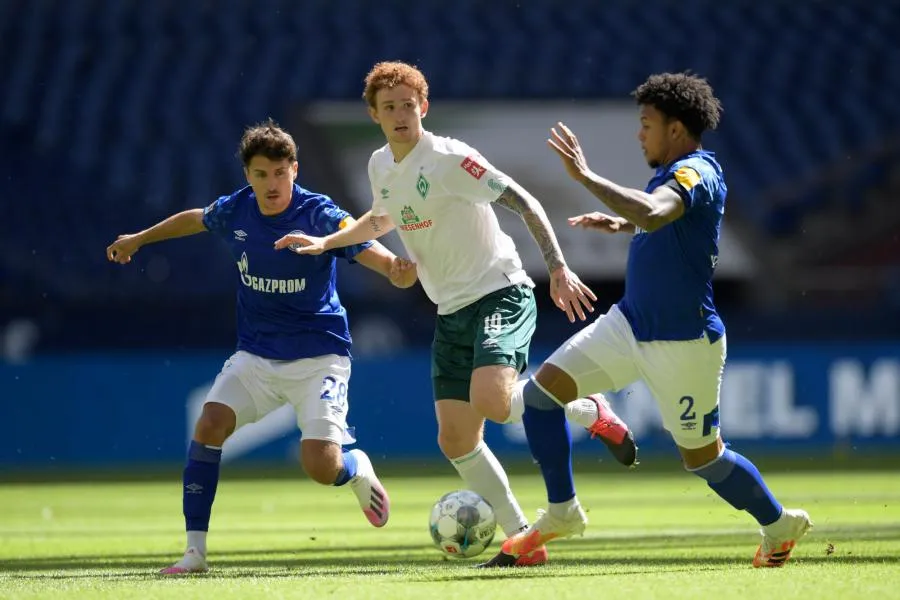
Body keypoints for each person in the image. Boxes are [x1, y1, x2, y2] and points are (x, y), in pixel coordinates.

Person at [274, 62, 636, 568]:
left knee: (492, 401)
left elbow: (524, 201)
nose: (400, 114)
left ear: (423, 107)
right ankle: (521, 536)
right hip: (450, 309)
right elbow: (381, 218)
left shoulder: (450, 158)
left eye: (408, 105)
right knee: (455, 438)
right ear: (374, 114)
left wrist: (557, 268)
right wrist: (327, 242)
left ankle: (585, 409)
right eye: (389, 107)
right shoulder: (381, 164)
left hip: (500, 292)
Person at [499, 72, 812, 568]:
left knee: (703, 459)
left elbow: (656, 213)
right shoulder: (672, 173)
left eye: (646, 123)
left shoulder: (697, 172)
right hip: (629, 323)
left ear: (675, 128)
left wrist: (586, 178)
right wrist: (621, 223)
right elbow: (656, 220)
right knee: (540, 396)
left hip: (684, 343)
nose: (639, 133)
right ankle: (563, 512)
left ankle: (779, 526)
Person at [106, 120, 418, 575]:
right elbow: (195, 218)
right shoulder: (237, 210)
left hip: (319, 357)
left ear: (294, 168)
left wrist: (392, 266)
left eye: (279, 172)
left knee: (320, 465)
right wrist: (139, 239)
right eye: (260, 174)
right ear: (248, 176)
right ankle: (195, 552)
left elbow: (358, 239)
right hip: (257, 355)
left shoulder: (318, 212)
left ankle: (355, 468)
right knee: (210, 424)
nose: (271, 184)